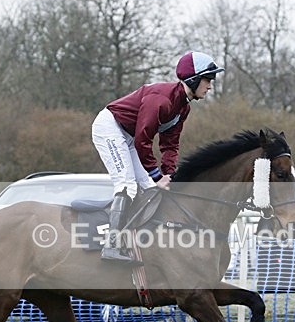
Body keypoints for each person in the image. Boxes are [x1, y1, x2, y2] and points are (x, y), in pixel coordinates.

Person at [92, 51, 224, 263]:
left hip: (129, 135)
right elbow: (143, 140)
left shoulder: (183, 108)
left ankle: (139, 242)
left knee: (150, 188)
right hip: (110, 128)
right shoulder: (161, 100)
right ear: (193, 79)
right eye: (208, 79)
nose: (210, 86)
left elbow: (170, 144)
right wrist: (157, 175)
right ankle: (112, 245)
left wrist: (169, 174)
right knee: (127, 185)